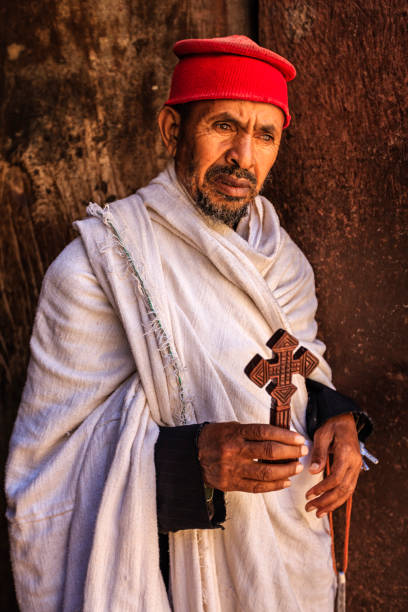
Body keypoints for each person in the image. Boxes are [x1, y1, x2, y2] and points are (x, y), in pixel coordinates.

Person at [6, 36, 371, 611]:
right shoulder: (97, 269)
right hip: (170, 577)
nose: (243, 157)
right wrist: (189, 458)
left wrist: (338, 418)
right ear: (172, 130)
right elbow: (48, 472)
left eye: (265, 135)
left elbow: (300, 370)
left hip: (282, 568)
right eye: (224, 126)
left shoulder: (286, 262)